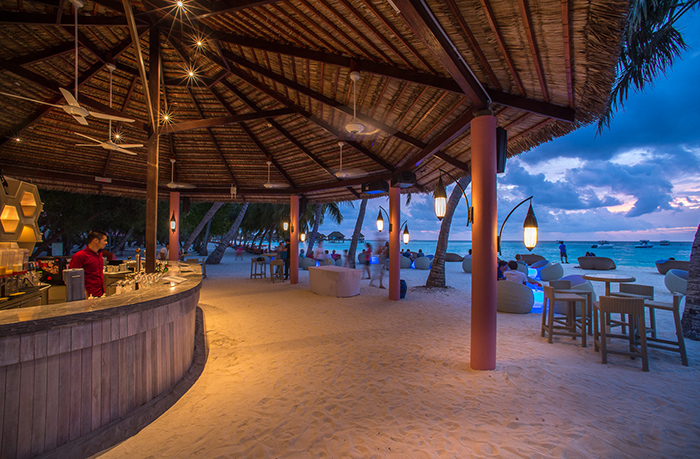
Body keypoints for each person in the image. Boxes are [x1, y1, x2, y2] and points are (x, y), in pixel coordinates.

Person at [69, 230, 108, 298]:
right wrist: (84, 294)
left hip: (100, 294)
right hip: (88, 296)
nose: (106, 242)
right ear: (95, 240)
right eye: (104, 240)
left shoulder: (99, 254)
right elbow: (74, 279)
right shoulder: (80, 256)